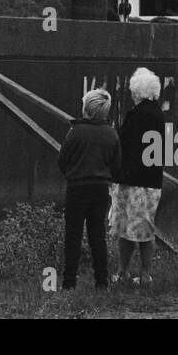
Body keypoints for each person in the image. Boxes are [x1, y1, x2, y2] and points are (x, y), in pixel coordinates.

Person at [58, 88, 121, 290]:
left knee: (73, 235)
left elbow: (62, 160)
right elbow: (116, 164)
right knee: (97, 235)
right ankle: (102, 281)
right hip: (101, 188)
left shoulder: (75, 132)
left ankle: (69, 282)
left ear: (86, 108)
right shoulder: (111, 133)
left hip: (77, 187)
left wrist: (72, 173)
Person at [112, 67, 165, 288]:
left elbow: (122, 143)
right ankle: (145, 274)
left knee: (127, 229)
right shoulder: (158, 114)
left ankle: (124, 271)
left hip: (133, 180)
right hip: (152, 179)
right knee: (146, 228)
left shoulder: (137, 115)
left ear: (137, 92)